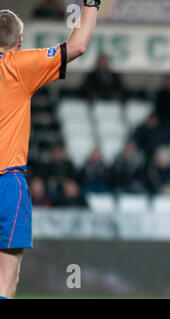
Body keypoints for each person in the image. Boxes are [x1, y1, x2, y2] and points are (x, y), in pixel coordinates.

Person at [0, 1, 101, 299]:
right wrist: (92, 4)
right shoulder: (19, 65)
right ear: (18, 42)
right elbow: (78, 45)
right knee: (6, 273)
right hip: (7, 181)